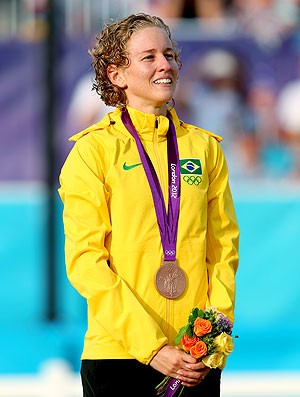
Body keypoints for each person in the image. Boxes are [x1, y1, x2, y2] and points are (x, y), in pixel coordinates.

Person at [58, 13, 239, 397]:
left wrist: (209, 337)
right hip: (118, 357)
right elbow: (86, 261)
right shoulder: (93, 153)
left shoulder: (204, 149)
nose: (165, 65)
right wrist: (153, 347)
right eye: (149, 56)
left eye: (170, 54)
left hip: (193, 360)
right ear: (116, 75)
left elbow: (223, 248)